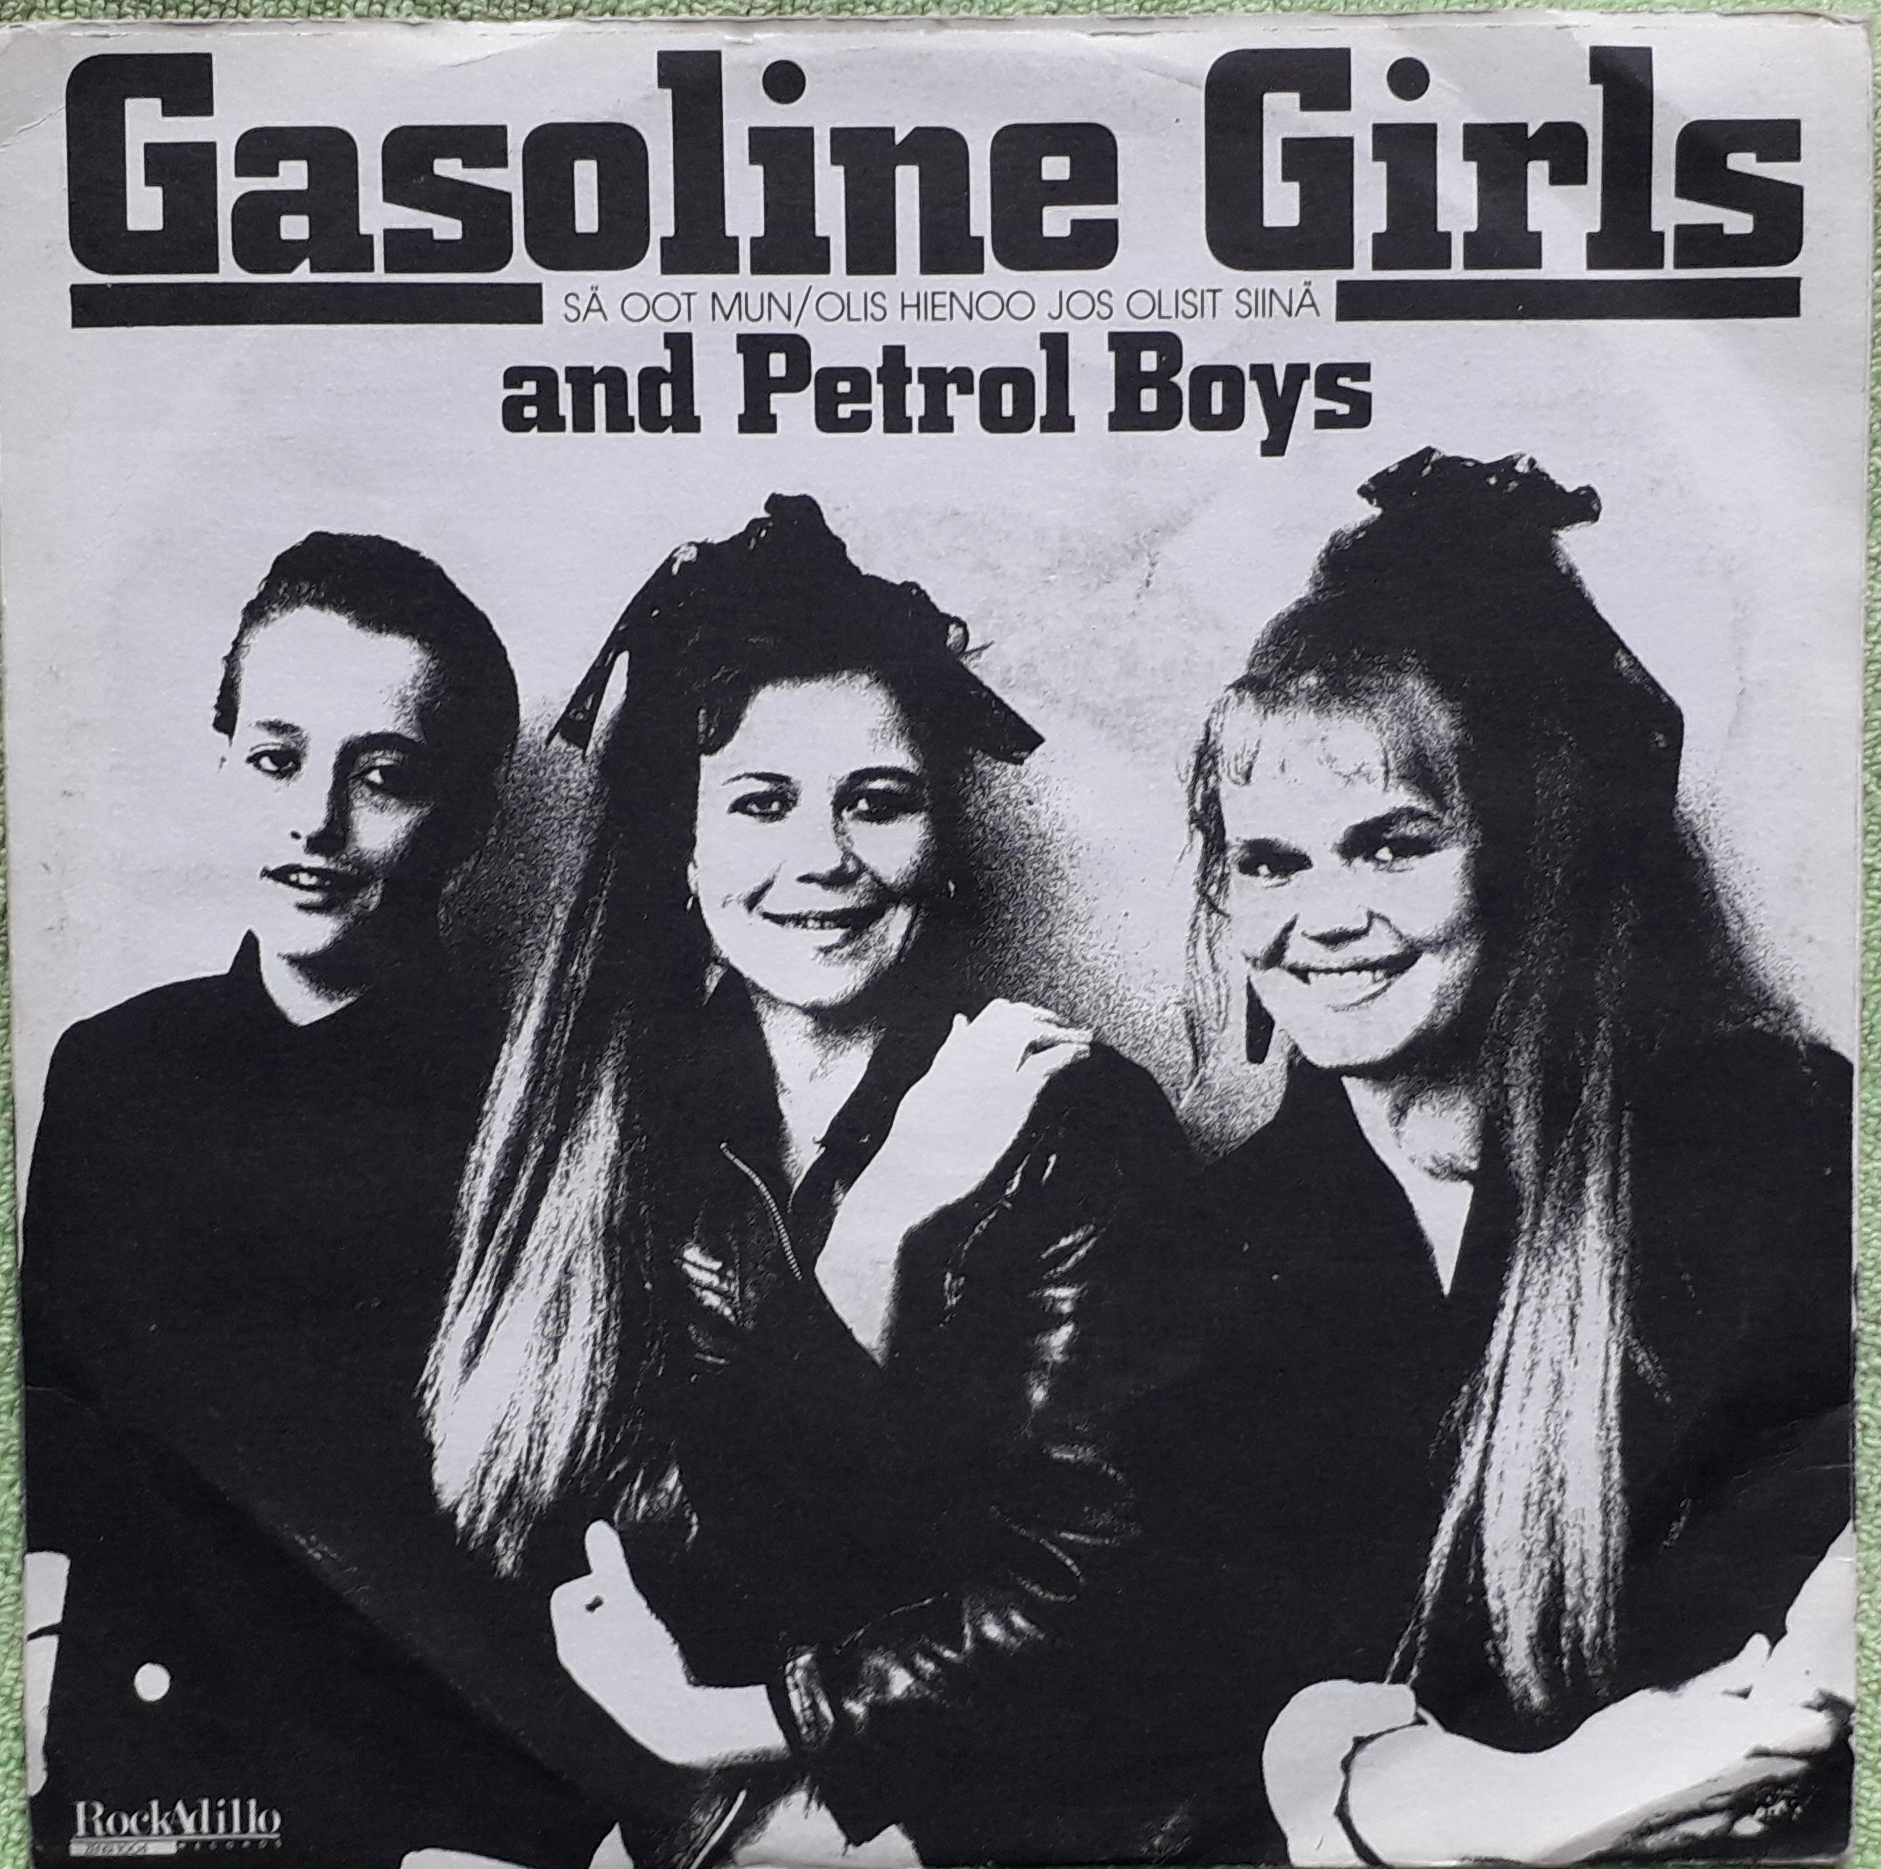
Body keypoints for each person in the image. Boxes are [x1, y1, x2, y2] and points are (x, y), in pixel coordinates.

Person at [423, 494, 1203, 1868]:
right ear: (683, 852)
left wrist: (731, 1720)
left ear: (939, 839)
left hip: (978, 1827)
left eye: (877, 802)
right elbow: (576, 1549)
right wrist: (873, 1252)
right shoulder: (604, 1127)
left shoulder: (1073, 1125)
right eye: (761, 802)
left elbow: (1091, 1590)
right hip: (675, 1824)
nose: (823, 858)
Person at [1181, 451, 1853, 1864]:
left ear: (1530, 858)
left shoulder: (1775, 1140)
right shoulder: (1215, 1242)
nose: (1323, 917)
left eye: (1392, 845)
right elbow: (1177, 1696)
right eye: (1271, 862)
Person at [23, 533, 629, 1868]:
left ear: (472, 818)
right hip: (150, 1793)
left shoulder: (541, 1116)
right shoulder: (112, 1071)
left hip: (425, 1819)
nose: (315, 820)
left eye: (385, 774)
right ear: (222, 762)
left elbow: (577, 1540)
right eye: (276, 758)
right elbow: (53, 1456)